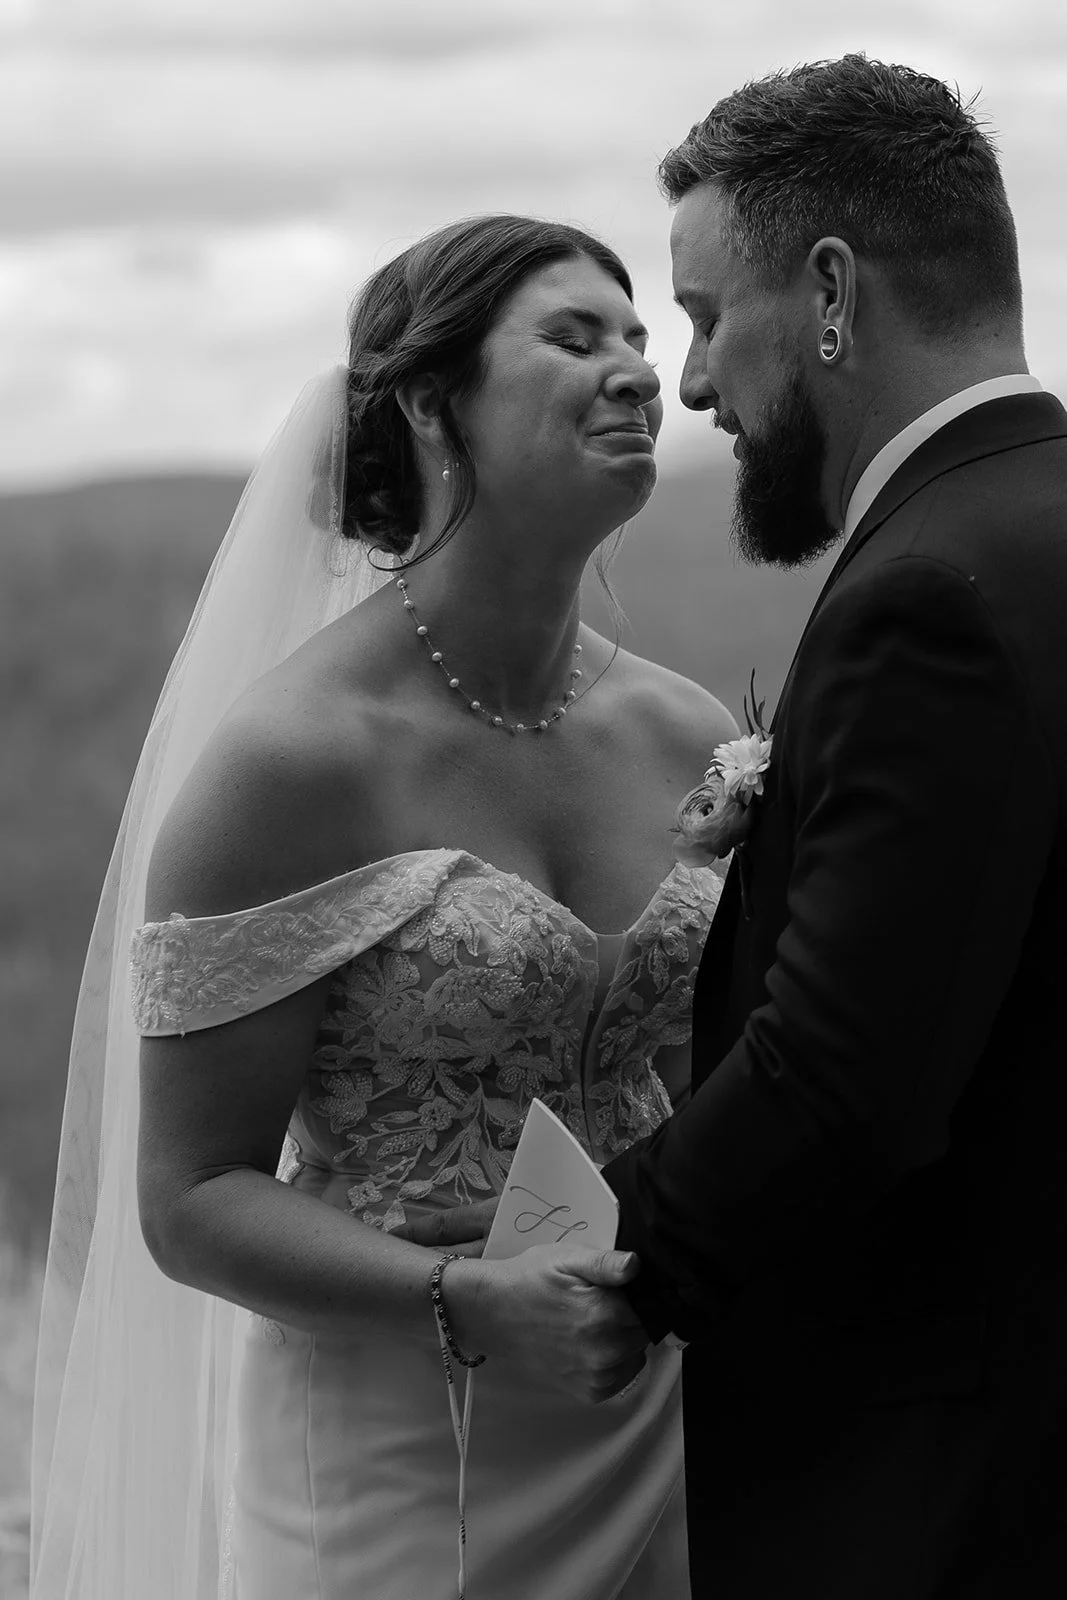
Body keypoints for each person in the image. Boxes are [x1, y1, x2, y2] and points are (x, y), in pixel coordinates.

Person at [30, 214, 735, 1600]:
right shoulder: (294, 760)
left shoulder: (681, 732)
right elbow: (190, 1201)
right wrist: (463, 1302)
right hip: (399, 1443)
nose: (639, 370)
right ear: (428, 404)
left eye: (642, 337)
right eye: (574, 337)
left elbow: (704, 1082)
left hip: (649, 1408)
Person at [598, 55, 1067, 1599]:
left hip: (941, 1477)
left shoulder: (921, 589)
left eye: (699, 317)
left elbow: (843, 1071)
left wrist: (624, 1260)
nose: (688, 385)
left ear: (826, 293)